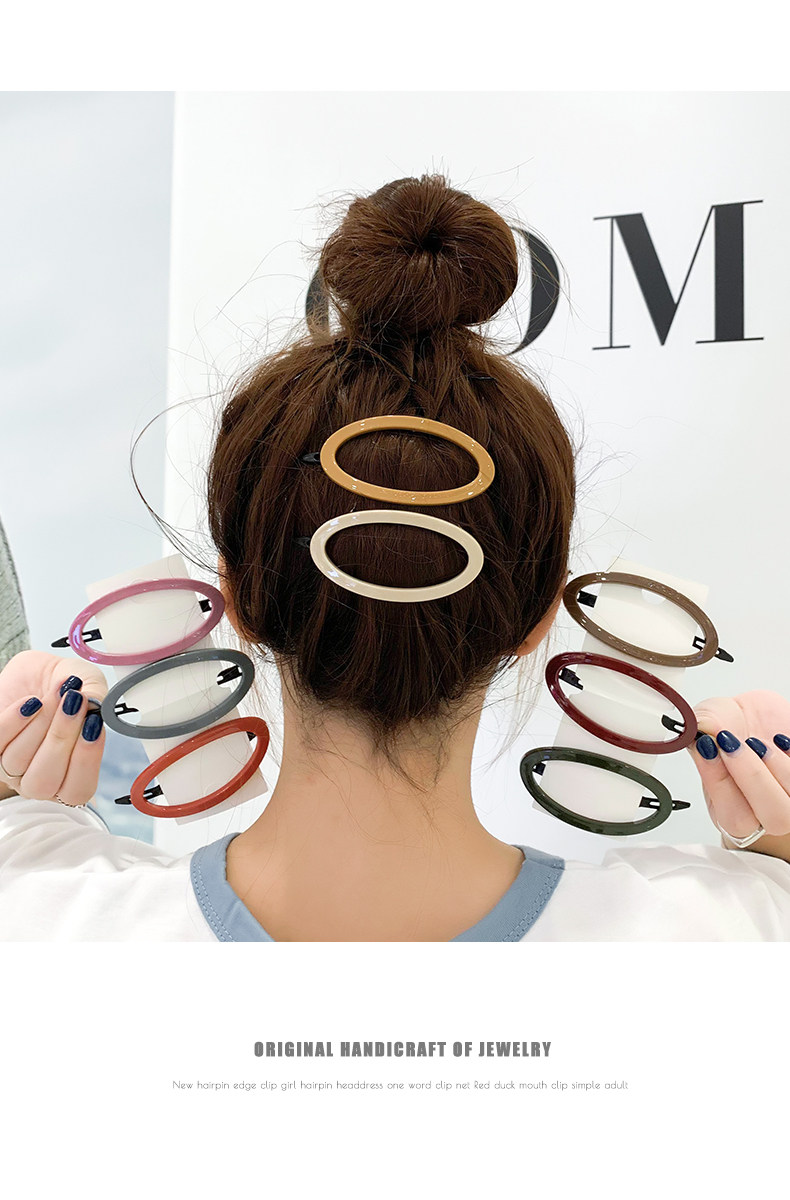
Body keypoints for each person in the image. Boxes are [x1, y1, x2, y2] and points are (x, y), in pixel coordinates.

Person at [1, 174, 789, 942]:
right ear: (540, 614)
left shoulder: (43, 915)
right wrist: (777, 857)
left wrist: (14, 805)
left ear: (235, 599)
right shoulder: (721, 933)